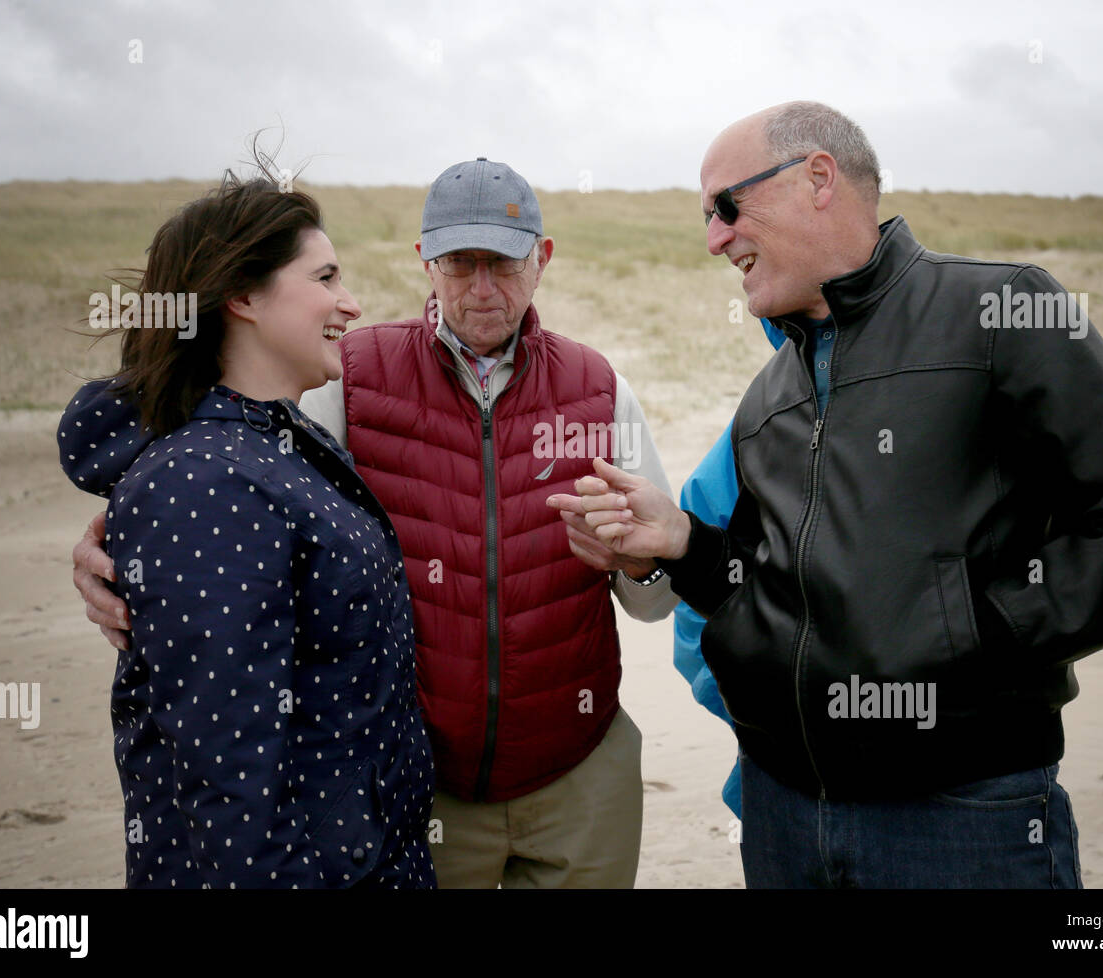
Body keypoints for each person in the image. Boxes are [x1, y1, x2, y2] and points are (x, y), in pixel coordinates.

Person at [550, 101, 1103, 888]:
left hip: (963, 817)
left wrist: (975, 636)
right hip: (780, 810)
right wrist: (683, 544)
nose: (714, 237)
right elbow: (764, 586)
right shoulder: (768, 397)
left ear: (818, 178)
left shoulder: (1001, 311)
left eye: (726, 206)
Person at [72, 157, 678, 888]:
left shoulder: (599, 390)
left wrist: (636, 562)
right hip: (420, 791)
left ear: (542, 260)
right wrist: (115, 538)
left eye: (505, 261)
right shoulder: (344, 377)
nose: (482, 287)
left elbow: (655, 600)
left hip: (579, 776)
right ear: (425, 260)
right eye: (460, 262)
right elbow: (223, 465)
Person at [58, 169, 435, 888]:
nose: (349, 303)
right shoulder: (203, 481)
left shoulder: (276, 442)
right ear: (243, 296)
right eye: (325, 278)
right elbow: (231, 783)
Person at [672, 317, 786, 821]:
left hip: (958, 788)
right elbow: (697, 613)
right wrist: (763, 723)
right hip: (782, 783)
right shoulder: (767, 409)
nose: (719, 237)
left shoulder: (956, 369)